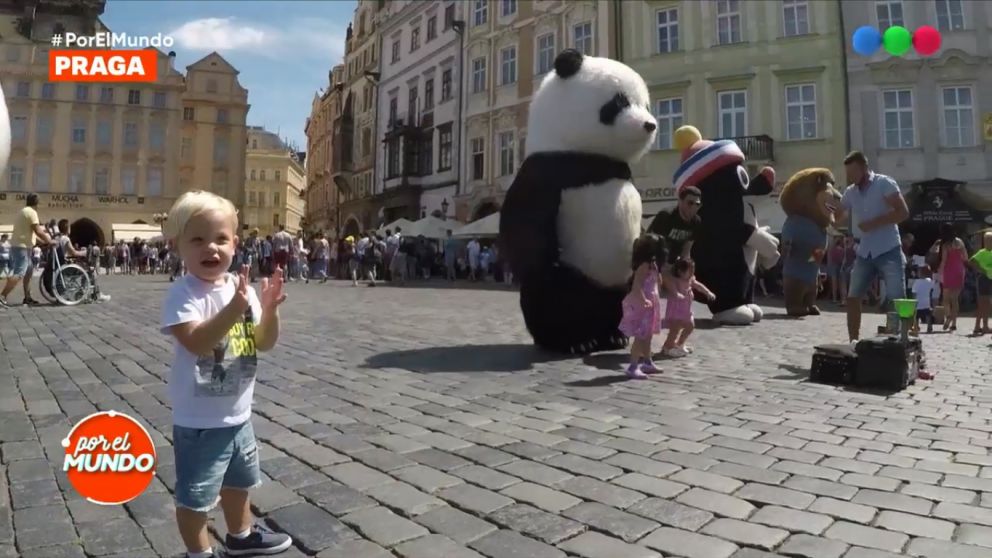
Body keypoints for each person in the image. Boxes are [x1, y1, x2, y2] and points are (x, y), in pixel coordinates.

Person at [159, 191, 292, 558]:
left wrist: (268, 311)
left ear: (235, 243)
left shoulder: (239, 288)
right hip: (200, 421)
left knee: (239, 483)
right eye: (197, 239)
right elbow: (197, 342)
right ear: (179, 246)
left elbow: (262, 343)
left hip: (239, 414)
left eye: (220, 239)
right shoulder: (183, 293)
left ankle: (241, 535)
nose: (211, 248)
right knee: (196, 497)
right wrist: (234, 310)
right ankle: (198, 554)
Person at [832, 151, 910, 341]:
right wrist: (829, 215)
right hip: (866, 251)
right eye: (848, 173)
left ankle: (900, 340)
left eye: (852, 172)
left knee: (897, 298)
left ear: (864, 168)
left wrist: (873, 223)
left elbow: (903, 212)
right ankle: (853, 340)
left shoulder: (884, 183)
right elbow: (838, 216)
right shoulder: (850, 192)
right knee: (853, 296)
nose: (850, 177)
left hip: (889, 248)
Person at [618, 233, 668, 379]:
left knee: (648, 334)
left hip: (652, 303)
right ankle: (633, 366)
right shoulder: (644, 265)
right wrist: (643, 300)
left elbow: (656, 281)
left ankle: (647, 362)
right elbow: (637, 285)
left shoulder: (653, 264)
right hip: (644, 304)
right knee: (641, 335)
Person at [1, 194, 51, 307]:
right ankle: (2, 296)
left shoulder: (24, 211)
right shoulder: (32, 212)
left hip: (22, 246)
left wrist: (43, 242)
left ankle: (27, 298)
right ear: (36, 203)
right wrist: (50, 240)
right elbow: (38, 231)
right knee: (19, 273)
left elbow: (32, 234)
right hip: (22, 247)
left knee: (28, 271)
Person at [661, 258, 715, 358]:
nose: (691, 274)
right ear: (680, 271)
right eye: (689, 271)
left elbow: (698, 286)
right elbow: (672, 289)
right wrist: (677, 294)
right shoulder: (674, 280)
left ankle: (679, 344)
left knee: (690, 326)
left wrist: (707, 292)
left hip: (686, 310)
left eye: (693, 271)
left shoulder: (690, 279)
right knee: (675, 329)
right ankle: (667, 347)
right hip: (676, 310)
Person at [929, 223, 968, 332]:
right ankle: (954, 323)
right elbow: (965, 257)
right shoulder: (959, 242)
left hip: (948, 271)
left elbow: (944, 260)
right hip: (959, 270)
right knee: (955, 299)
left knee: (946, 298)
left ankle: (948, 316)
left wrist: (939, 271)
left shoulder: (946, 245)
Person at [968, 232, 992, 335]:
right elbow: (971, 261)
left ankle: (983, 326)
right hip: (984, 279)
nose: (988, 242)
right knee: (983, 303)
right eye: (987, 240)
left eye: (990, 240)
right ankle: (979, 326)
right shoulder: (982, 252)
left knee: (988, 304)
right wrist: (980, 269)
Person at [911, 265, 936, 335]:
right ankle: (929, 327)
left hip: (918, 304)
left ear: (920, 273)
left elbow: (914, 293)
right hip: (926, 303)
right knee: (928, 315)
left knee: (916, 317)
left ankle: (916, 326)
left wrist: (913, 301)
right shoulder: (929, 281)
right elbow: (933, 285)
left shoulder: (917, 282)